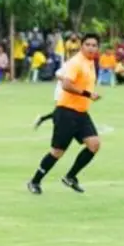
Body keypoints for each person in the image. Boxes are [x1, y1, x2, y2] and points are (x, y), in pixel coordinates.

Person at [27, 33, 102, 195]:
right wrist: (88, 95)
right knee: (57, 152)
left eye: (94, 45)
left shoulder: (90, 62)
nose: (91, 47)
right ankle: (34, 181)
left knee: (94, 144)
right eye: (87, 44)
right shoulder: (77, 62)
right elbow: (66, 85)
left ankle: (70, 177)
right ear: (81, 46)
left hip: (81, 113)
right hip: (66, 112)